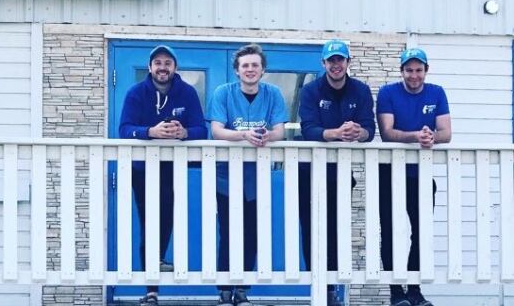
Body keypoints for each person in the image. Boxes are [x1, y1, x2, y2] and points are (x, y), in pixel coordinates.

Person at [119, 45, 207, 306]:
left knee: (167, 217)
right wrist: (151, 132)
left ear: (175, 68)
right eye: (157, 62)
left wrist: (184, 133)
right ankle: (151, 289)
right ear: (150, 68)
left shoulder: (187, 92)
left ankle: (157, 261)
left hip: (174, 168)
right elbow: (124, 129)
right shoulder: (136, 93)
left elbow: (201, 129)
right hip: (142, 169)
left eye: (167, 63)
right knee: (149, 222)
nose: (162, 67)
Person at [297, 39, 375, 306]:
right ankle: (316, 286)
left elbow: (370, 130)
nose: (336, 65)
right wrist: (335, 134)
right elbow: (308, 129)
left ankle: (331, 291)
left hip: (341, 175)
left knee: (338, 231)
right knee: (310, 230)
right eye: (331, 60)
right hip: (309, 173)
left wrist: (359, 133)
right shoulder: (310, 90)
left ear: (348, 63)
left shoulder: (361, 90)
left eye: (340, 59)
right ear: (324, 64)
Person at [209, 44, 287, 306]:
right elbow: (217, 131)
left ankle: (242, 290)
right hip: (226, 178)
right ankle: (224, 290)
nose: (250, 69)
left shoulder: (273, 93)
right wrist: (244, 135)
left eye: (255, 65)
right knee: (228, 234)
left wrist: (264, 137)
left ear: (262, 69)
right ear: (237, 70)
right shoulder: (223, 93)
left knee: (252, 234)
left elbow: (280, 131)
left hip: (258, 178)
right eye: (245, 65)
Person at [377, 48, 451, 306]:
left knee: (421, 233)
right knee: (390, 232)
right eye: (409, 70)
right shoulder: (387, 93)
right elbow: (387, 133)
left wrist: (432, 136)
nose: (414, 75)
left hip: (421, 174)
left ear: (426, 71)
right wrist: (415, 136)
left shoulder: (437, 92)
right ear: (402, 71)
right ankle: (396, 292)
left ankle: (415, 290)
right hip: (389, 173)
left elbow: (446, 133)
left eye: (419, 70)